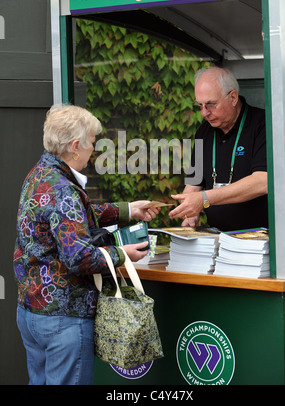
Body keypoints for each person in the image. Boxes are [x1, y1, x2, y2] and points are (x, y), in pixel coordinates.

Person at [14, 104, 159, 385]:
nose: (95, 149)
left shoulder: (40, 174)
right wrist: (121, 254)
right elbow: (79, 257)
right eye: (93, 142)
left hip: (32, 312)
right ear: (76, 146)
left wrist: (128, 210)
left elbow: (74, 218)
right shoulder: (64, 189)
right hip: (63, 318)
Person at [169, 67, 268, 231]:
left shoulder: (262, 124)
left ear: (233, 98)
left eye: (210, 105)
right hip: (217, 239)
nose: (204, 113)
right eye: (199, 105)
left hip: (259, 241)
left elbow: (262, 181)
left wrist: (204, 199)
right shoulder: (204, 131)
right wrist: (189, 211)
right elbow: (194, 184)